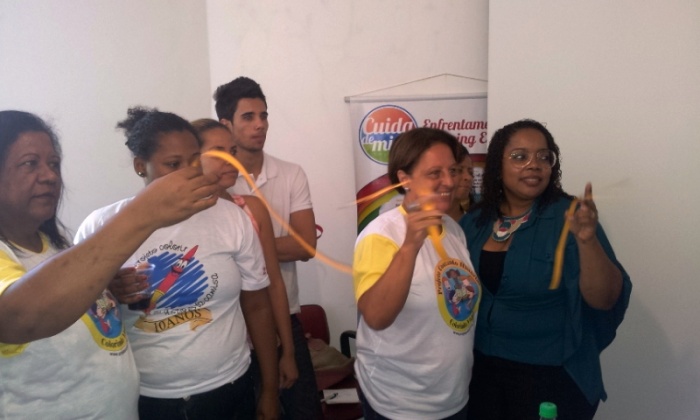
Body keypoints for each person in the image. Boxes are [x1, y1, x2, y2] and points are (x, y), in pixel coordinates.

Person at [0, 110, 219, 419]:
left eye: (53, 164)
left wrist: (106, 289)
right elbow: (19, 317)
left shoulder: (56, 246)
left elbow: (65, 303)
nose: (50, 176)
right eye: (30, 163)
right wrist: (145, 212)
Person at [74, 107, 279, 420]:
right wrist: (108, 290)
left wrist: (270, 389)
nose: (187, 172)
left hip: (229, 388)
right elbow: (78, 314)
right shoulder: (102, 226)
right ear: (140, 166)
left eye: (194, 160)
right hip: (146, 397)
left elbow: (258, 307)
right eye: (173, 164)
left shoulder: (231, 219)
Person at [460, 119, 632, 420]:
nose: (534, 165)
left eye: (544, 156)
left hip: (550, 376)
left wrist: (588, 241)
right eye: (520, 156)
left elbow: (604, 299)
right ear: (498, 166)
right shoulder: (474, 221)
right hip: (480, 373)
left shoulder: (571, 216)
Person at [352, 127, 481, 419]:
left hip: (453, 398)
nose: (450, 181)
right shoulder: (381, 235)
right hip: (400, 403)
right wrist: (410, 245)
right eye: (435, 173)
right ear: (404, 178)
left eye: (453, 170)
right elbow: (376, 317)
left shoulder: (454, 230)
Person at [214, 77, 321, 419]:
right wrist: (272, 247)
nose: (260, 124)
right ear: (226, 124)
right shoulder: (219, 181)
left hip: (284, 312)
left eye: (264, 115)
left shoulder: (290, 173)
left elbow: (306, 245)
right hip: (231, 319)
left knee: (304, 410)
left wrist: (240, 251)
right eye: (248, 117)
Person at [192, 118, 299, 390]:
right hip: (215, 351)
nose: (232, 161)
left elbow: (274, 283)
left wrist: (288, 350)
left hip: (261, 342)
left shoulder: (250, 208)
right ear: (194, 159)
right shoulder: (182, 219)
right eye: (219, 153)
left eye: (233, 151)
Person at [447, 143, 475, 222]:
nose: (468, 177)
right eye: (459, 170)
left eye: (470, 172)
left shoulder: (475, 222)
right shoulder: (418, 221)